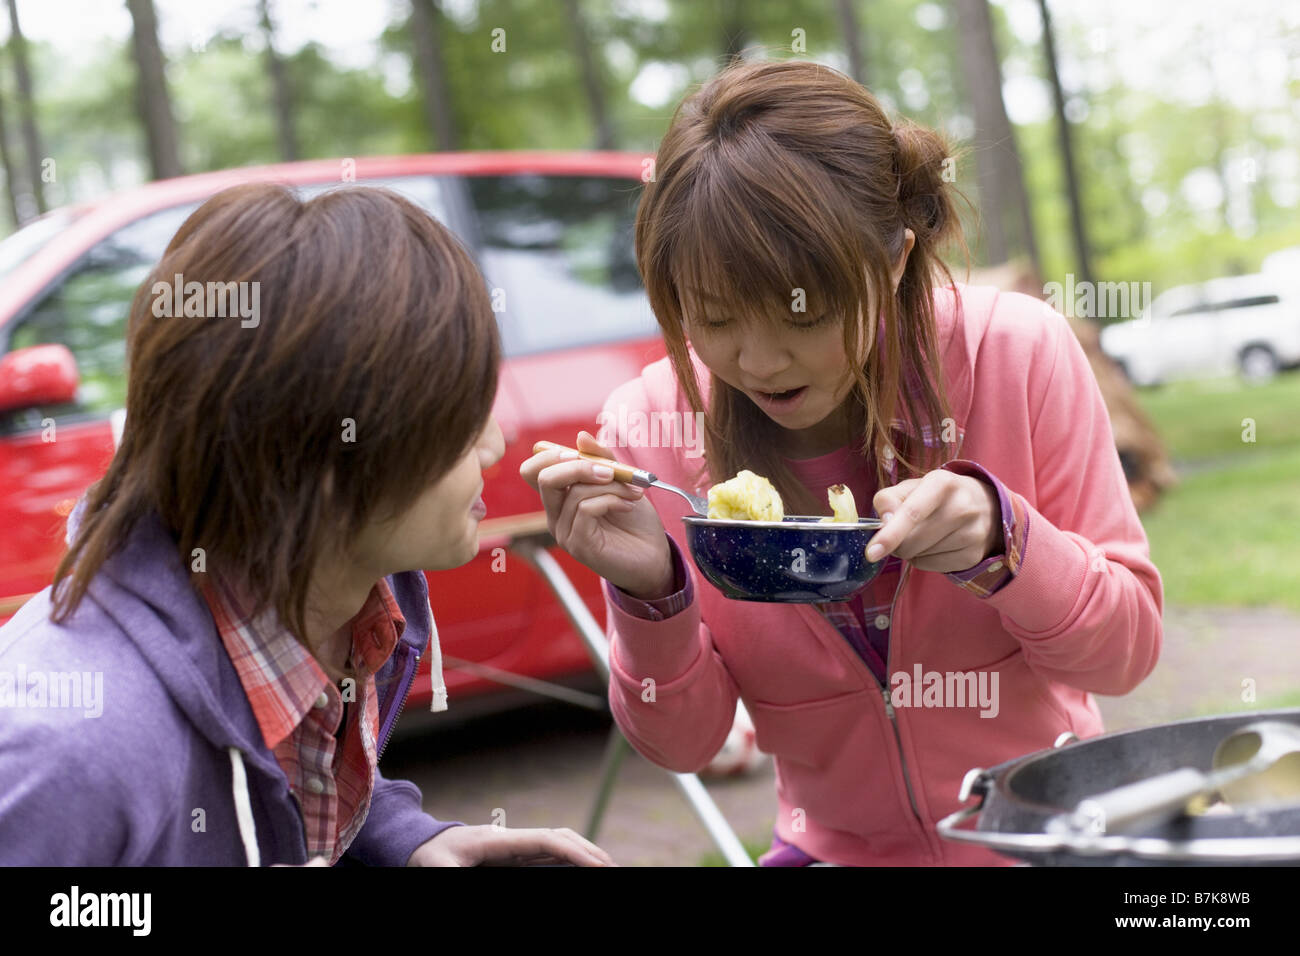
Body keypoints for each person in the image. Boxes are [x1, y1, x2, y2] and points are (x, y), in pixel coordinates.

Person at [522, 59, 1163, 866]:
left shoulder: (1015, 353)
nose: (757, 362)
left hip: (1045, 834)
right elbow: (683, 744)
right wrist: (650, 592)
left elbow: (1123, 655)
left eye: (806, 312)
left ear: (893, 260)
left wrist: (1008, 545)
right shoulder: (653, 424)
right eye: (713, 319)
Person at [0, 183, 613, 867]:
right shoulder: (64, 753)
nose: (496, 444)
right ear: (321, 455)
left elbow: (281, 774)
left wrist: (405, 842)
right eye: (460, 419)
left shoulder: (349, 611)